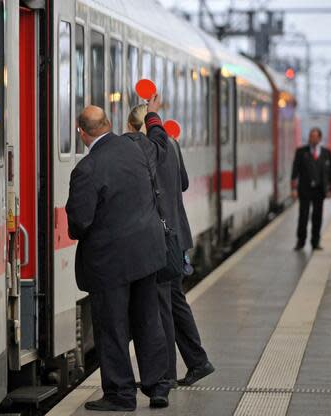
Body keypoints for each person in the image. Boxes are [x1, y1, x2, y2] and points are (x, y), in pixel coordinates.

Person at [66, 105, 170, 411]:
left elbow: (79, 224)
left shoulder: (87, 169)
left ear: (81, 133)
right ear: (109, 124)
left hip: (109, 262)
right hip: (147, 253)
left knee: (112, 328)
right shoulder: (135, 149)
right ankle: (158, 387)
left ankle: (120, 394)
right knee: (148, 321)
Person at [124, 101, 215, 390]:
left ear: (138, 129)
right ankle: (198, 362)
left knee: (162, 306)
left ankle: (165, 374)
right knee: (175, 301)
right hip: (178, 235)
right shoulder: (172, 144)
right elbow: (184, 183)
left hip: (160, 240)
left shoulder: (145, 150)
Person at [291, 127, 331, 251]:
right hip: (305, 190)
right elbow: (295, 171)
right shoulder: (301, 152)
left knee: (317, 217)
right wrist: (294, 188)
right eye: (311, 136)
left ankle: (315, 242)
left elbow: (330, 172)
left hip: (320, 191)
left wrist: (330, 189)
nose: (313, 139)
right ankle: (301, 241)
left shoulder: (326, 153)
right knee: (303, 216)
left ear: (320, 138)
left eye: (315, 137)